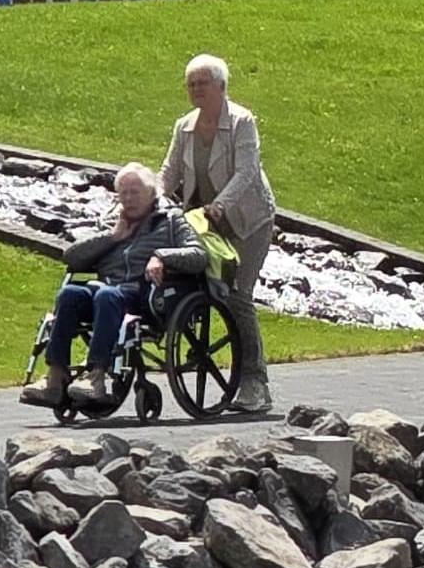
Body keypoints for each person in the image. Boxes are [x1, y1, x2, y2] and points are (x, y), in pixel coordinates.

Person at [26, 164, 206, 409]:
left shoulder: (171, 220)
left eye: (135, 192)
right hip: (107, 291)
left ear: (152, 194)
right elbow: (71, 257)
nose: (128, 199)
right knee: (70, 293)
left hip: (146, 296)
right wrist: (112, 238)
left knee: (107, 295)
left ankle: (97, 376)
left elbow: (198, 255)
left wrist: (162, 256)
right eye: (124, 193)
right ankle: (55, 378)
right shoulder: (113, 219)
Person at [162, 53, 278, 415]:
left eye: (202, 83)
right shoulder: (185, 126)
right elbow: (169, 171)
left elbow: (246, 172)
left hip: (247, 221)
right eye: (191, 84)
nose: (195, 90)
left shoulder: (242, 122)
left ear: (221, 86)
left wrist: (220, 205)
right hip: (204, 222)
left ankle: (255, 383)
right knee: (198, 286)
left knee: (237, 295)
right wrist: (153, 198)